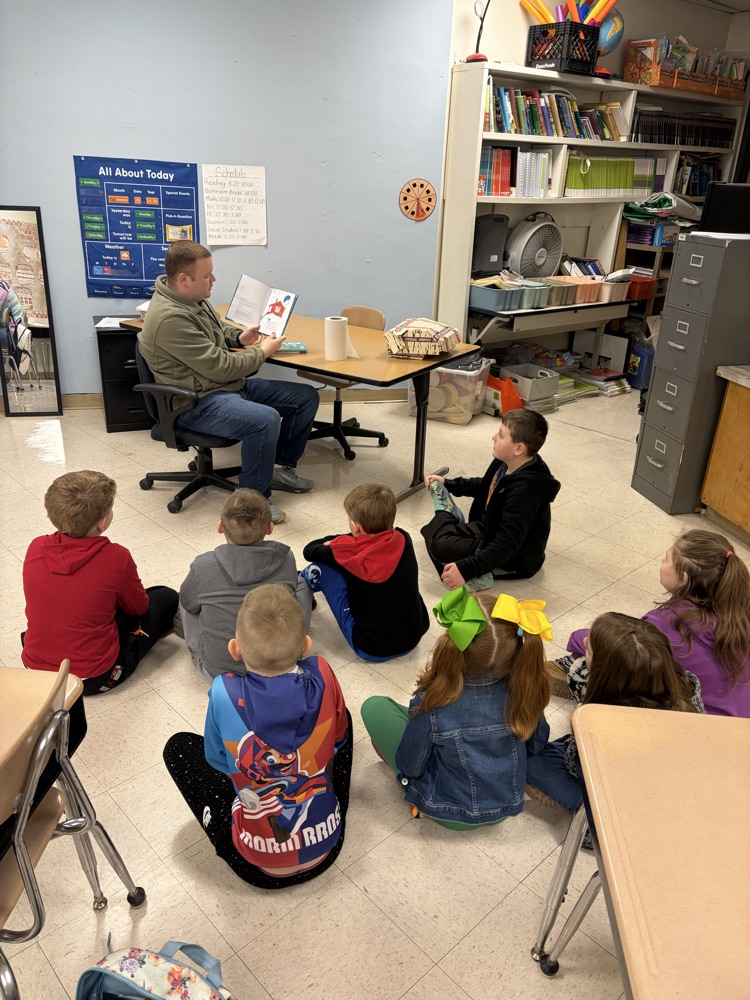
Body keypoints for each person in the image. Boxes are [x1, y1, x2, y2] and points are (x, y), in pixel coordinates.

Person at [163, 584, 352, 888]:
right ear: (306, 646)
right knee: (341, 717)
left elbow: (217, 761)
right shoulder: (323, 672)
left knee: (178, 748)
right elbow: (340, 736)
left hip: (257, 865)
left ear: (235, 649)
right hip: (329, 842)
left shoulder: (224, 691)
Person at [137, 241, 319, 524]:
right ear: (184, 279)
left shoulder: (191, 299)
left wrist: (239, 337)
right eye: (207, 275)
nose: (214, 280)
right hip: (195, 402)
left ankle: (280, 467)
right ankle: (252, 501)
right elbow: (222, 367)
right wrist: (262, 352)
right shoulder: (170, 318)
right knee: (265, 419)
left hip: (222, 387)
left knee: (305, 397)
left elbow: (216, 328)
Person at [361, 590, 553, 828]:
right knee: (418, 717)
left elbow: (412, 766)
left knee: (375, 707)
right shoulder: (527, 692)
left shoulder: (434, 704)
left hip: (447, 811)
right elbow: (537, 746)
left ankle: (417, 801)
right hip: (505, 807)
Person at [552, 530, 750, 718]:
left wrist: (583, 638)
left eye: (666, 558)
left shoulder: (668, 622)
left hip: (697, 721)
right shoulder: (740, 615)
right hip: (739, 724)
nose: (662, 562)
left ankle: (573, 676)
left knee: (590, 654)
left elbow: (627, 651)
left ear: (683, 578)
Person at [527, 612, 704, 813]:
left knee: (531, 761)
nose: (584, 641)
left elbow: (579, 765)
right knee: (560, 745)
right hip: (671, 782)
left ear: (607, 674)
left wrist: (579, 692)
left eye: (589, 649)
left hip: (629, 797)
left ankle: (589, 821)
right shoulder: (685, 683)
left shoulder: (607, 720)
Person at [21, 470, 178, 695]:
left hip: (36, 669)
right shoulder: (116, 557)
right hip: (93, 677)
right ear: (102, 523)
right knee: (164, 596)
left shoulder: (35, 546)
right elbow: (138, 608)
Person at [178, 488, 313, 683]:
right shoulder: (286, 558)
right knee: (301, 583)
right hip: (283, 661)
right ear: (269, 528)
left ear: (220, 527)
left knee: (185, 599)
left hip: (219, 672)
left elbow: (188, 603)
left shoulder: (203, 565)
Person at [421, 409, 560, 592]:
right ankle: (446, 514)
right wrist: (450, 484)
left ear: (518, 448)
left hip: (514, 559)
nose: (493, 437)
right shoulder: (506, 461)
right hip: (488, 528)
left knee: (439, 546)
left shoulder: (525, 491)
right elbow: (486, 485)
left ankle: (445, 513)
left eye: (501, 435)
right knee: (430, 534)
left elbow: (507, 543)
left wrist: (467, 569)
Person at [300, 483, 429, 662]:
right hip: (413, 638)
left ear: (355, 527)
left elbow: (310, 550)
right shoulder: (403, 538)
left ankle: (300, 587)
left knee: (319, 567)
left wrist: (339, 541)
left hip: (371, 648)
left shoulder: (345, 553)